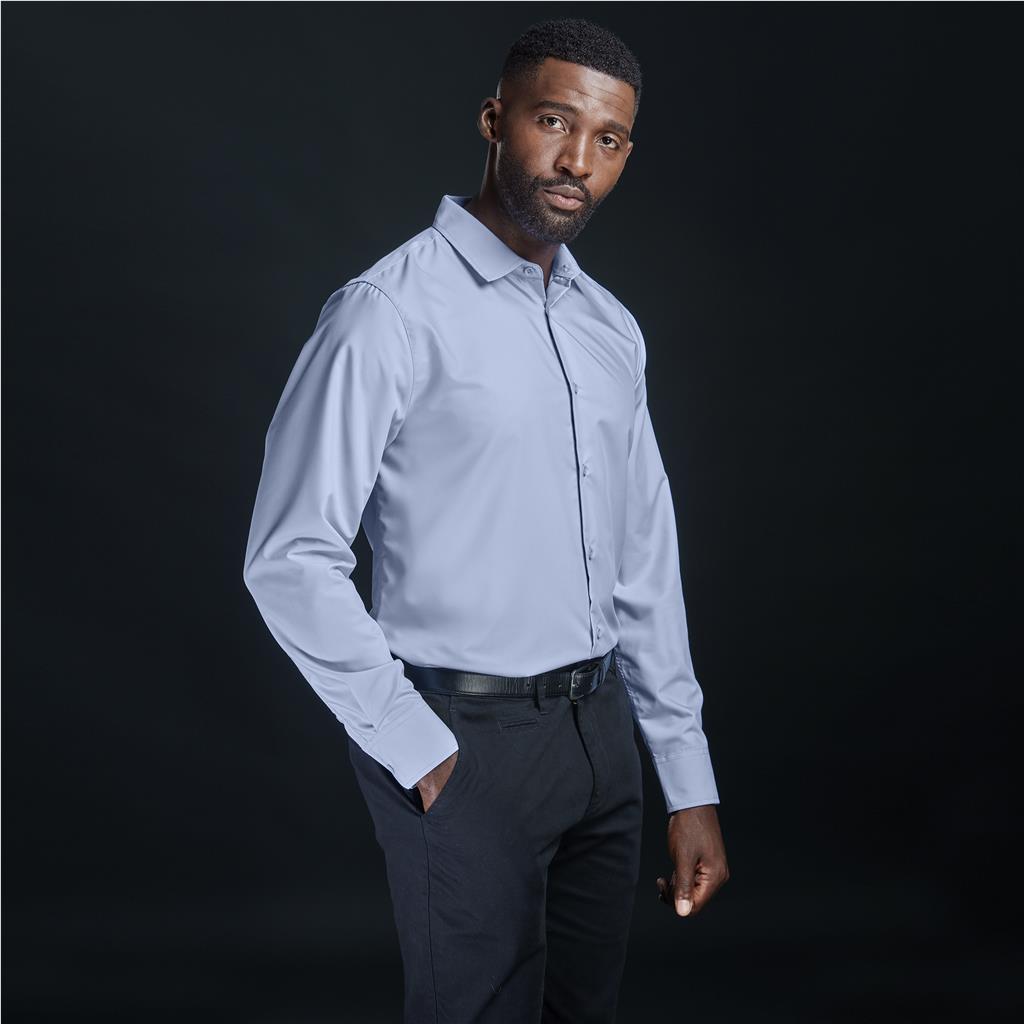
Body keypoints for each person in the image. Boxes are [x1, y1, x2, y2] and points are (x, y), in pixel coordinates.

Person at [242, 16, 729, 1023]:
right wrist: (419, 753)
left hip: (602, 737)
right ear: (494, 119)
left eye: (607, 139)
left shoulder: (610, 329)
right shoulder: (386, 312)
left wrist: (687, 780)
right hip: (464, 735)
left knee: (582, 1011)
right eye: (554, 122)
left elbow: (644, 560)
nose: (577, 161)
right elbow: (289, 557)